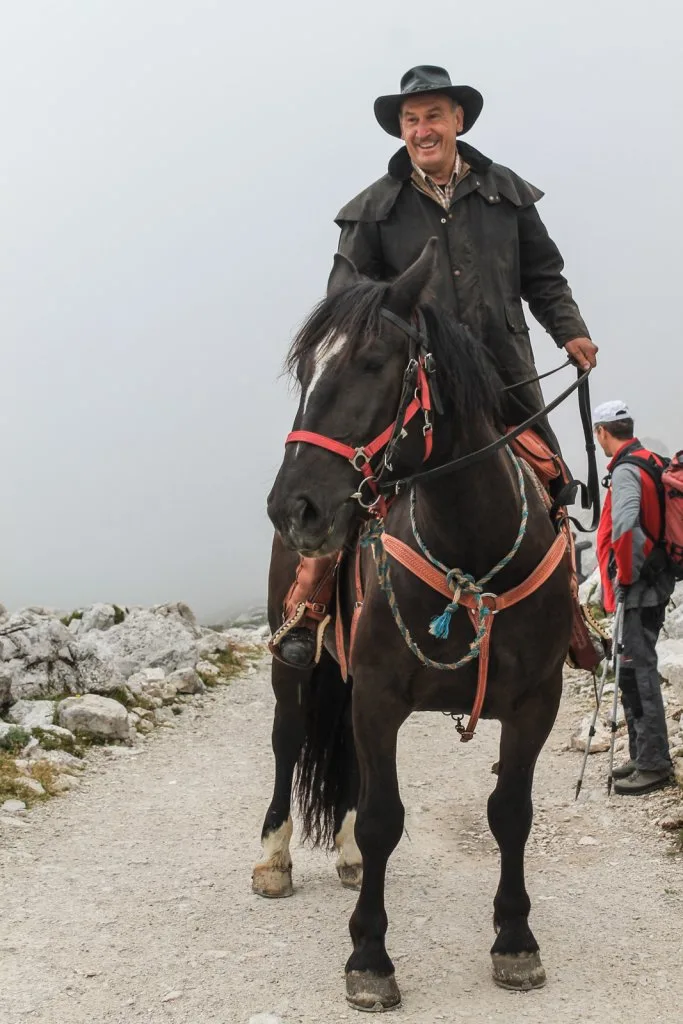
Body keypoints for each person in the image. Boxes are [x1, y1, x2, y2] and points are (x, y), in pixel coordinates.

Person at [275, 64, 598, 668]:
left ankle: (566, 613)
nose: (423, 130)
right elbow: (346, 301)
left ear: (459, 120)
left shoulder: (507, 194)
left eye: (433, 116)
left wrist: (570, 329)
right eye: (411, 120)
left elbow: (543, 275)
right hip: (410, 380)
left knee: (551, 479)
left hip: (503, 375)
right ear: (401, 131)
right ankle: (310, 604)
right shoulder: (373, 209)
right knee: (355, 484)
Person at [594, 400, 675, 795]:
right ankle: (642, 754)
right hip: (652, 584)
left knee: (638, 674)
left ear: (602, 432)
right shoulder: (650, 461)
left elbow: (626, 529)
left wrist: (624, 576)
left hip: (638, 590)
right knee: (630, 673)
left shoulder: (626, 470)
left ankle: (655, 764)